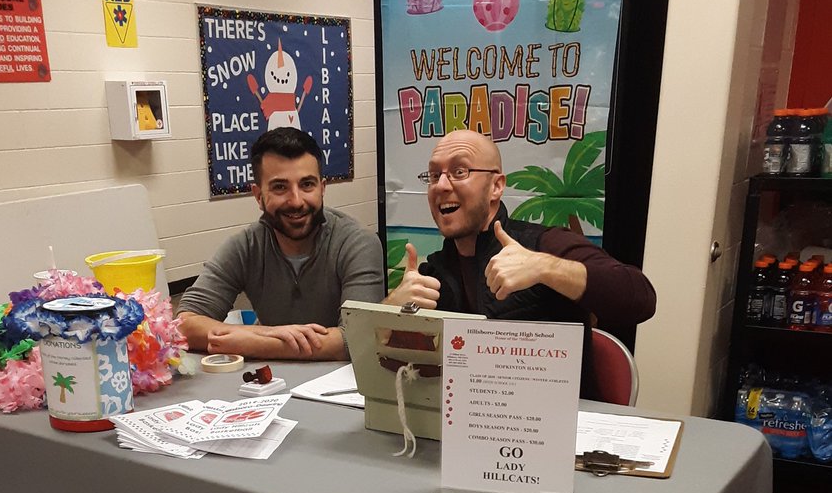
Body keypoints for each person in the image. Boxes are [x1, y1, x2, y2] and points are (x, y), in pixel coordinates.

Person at [384, 129, 656, 398]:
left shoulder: (543, 244)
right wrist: (391, 309)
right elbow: (384, 364)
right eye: (434, 175)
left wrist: (545, 268)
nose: (441, 185)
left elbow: (640, 297)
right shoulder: (433, 272)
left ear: (496, 186)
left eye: (459, 172)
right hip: (471, 424)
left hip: (554, 428)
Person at [178, 128, 384, 361]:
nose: (296, 201)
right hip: (268, 386)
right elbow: (184, 324)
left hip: (339, 386)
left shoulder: (357, 243)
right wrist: (264, 334)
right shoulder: (246, 246)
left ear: (322, 188)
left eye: (307, 185)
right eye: (280, 187)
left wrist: (252, 342)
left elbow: (355, 340)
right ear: (258, 196)